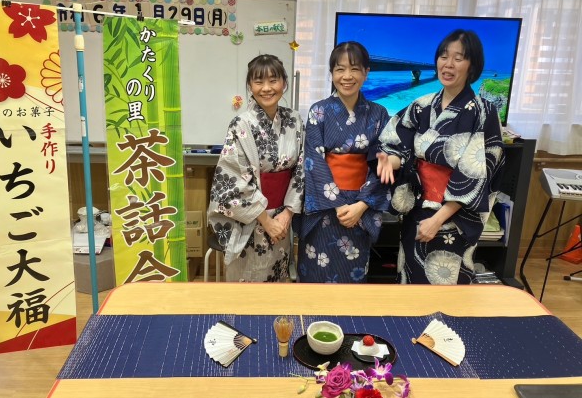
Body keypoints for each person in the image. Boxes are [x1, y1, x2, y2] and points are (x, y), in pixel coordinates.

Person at [377, 29, 505, 284]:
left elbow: (478, 173)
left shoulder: (484, 112)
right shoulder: (422, 105)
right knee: (410, 280)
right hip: (417, 212)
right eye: (444, 56)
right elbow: (397, 144)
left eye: (458, 58)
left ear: (472, 66)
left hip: (453, 218)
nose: (448, 64)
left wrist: (437, 220)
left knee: (446, 285)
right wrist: (389, 161)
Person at [296, 41, 391, 283]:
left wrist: (362, 205)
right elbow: (313, 160)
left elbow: (382, 163)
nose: (347, 76)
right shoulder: (318, 111)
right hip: (325, 210)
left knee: (353, 279)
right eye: (340, 69)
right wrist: (338, 206)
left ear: (366, 73)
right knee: (316, 275)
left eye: (355, 69)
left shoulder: (379, 114)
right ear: (331, 73)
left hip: (360, 208)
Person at [207, 54, 305, 282]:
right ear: (250, 85)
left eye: (273, 80)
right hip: (250, 220)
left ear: (284, 83)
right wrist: (267, 221)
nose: (266, 88)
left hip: (283, 217)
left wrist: (287, 213)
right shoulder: (240, 124)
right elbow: (232, 180)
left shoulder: (294, 120)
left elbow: (301, 168)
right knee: (248, 284)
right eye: (259, 81)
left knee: (278, 281)